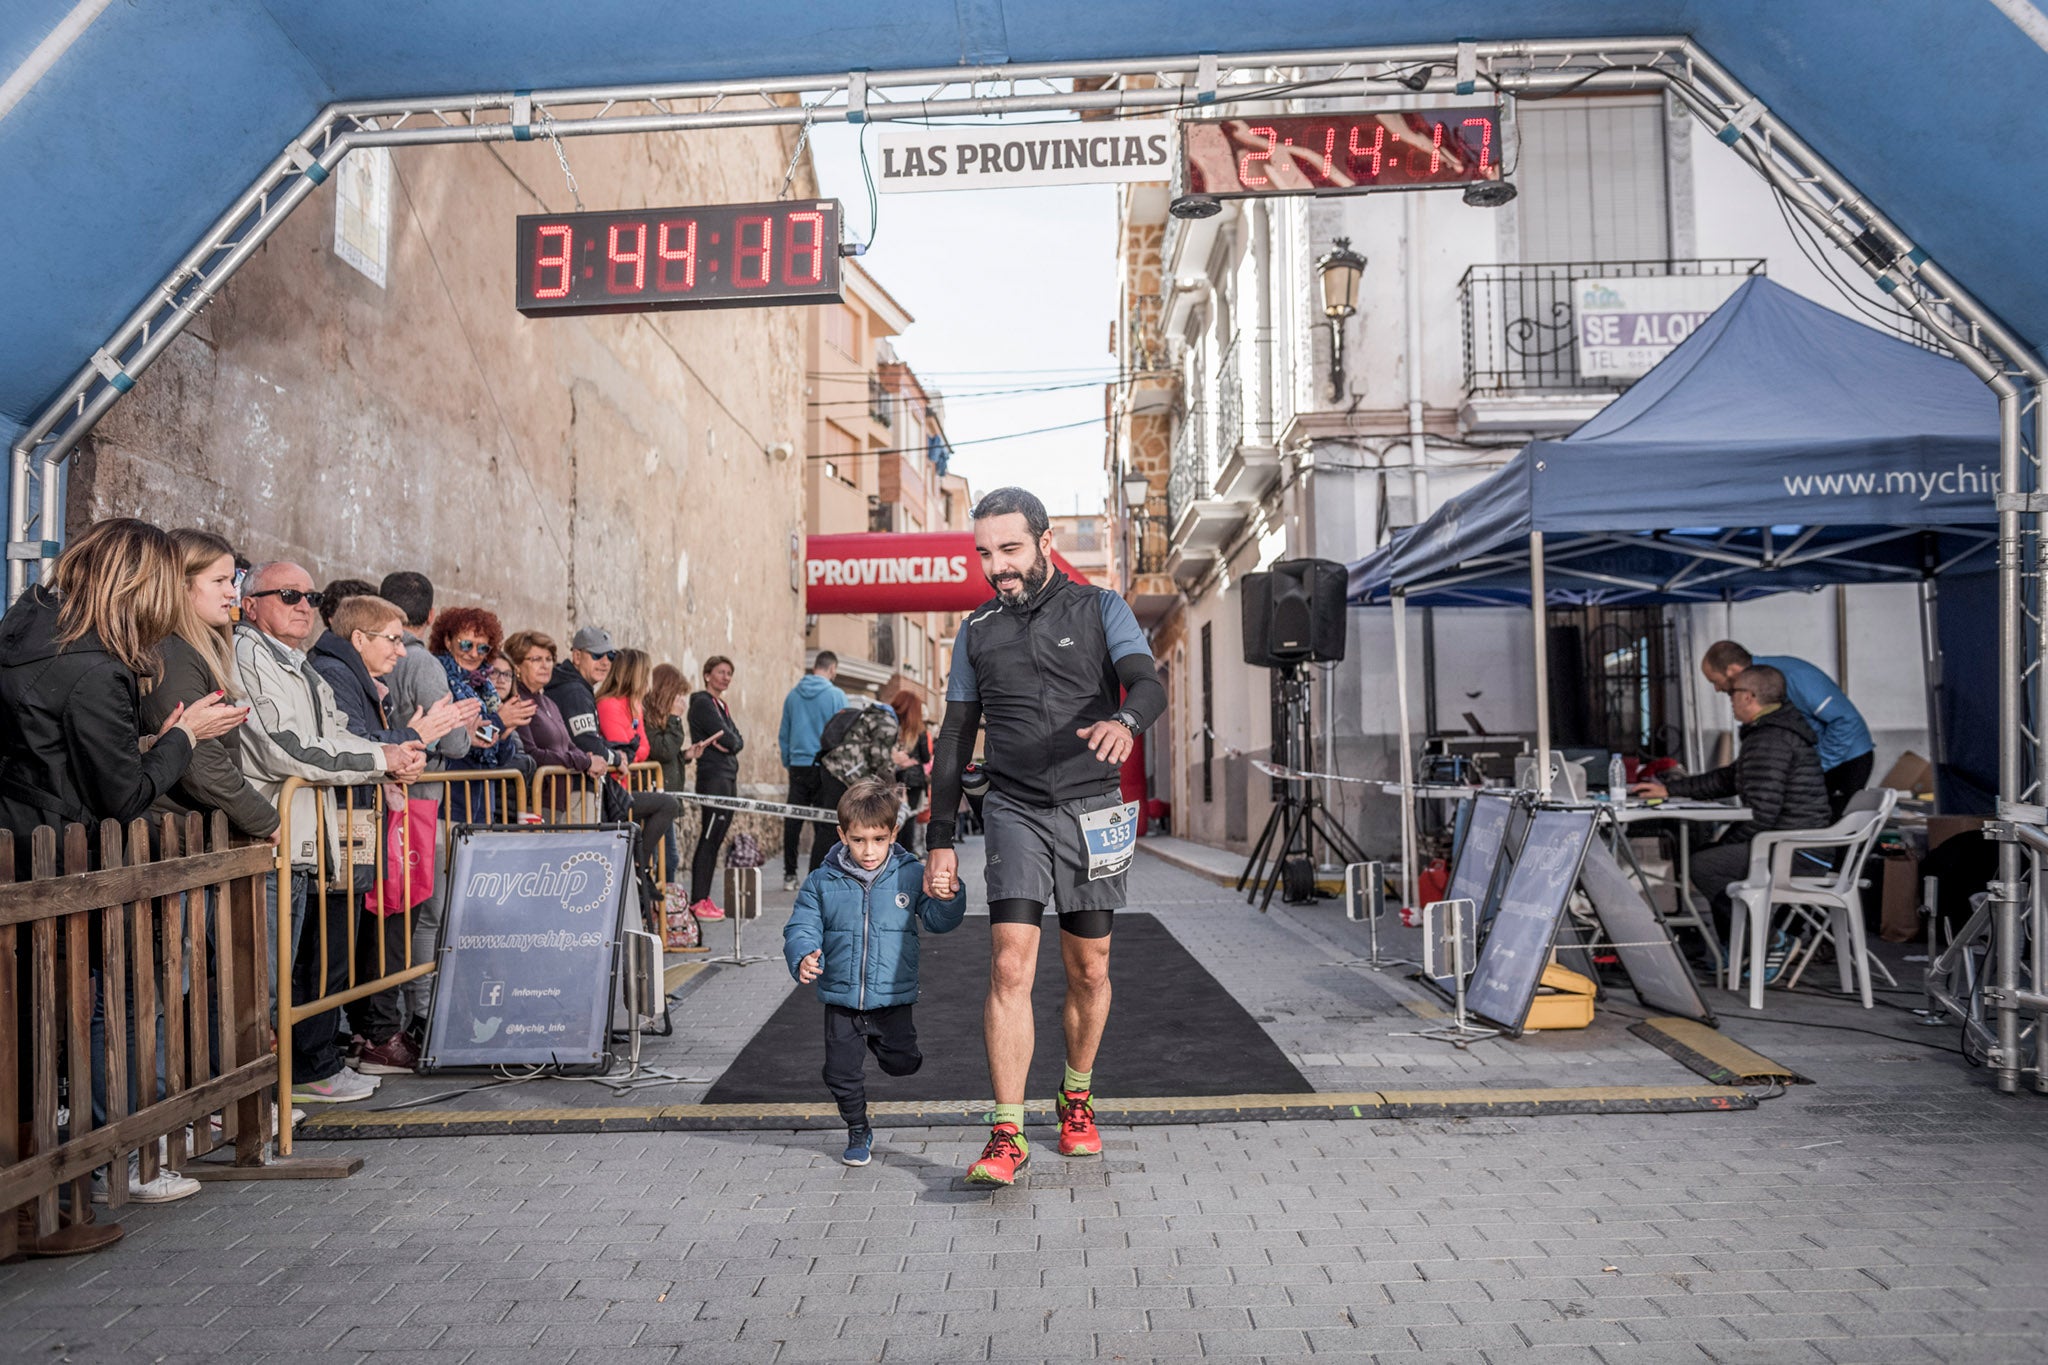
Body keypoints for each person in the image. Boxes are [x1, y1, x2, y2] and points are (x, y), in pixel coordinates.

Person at [0, 518, 248, 1210]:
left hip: (26, 840)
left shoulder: (26, 627)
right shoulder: (93, 664)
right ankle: (111, 1157)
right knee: (107, 1009)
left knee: (53, 1020)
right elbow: (122, 792)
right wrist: (182, 737)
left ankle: (80, 1155)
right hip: (63, 854)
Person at [924, 488, 1165, 1187]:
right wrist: (941, 835)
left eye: (1009, 548)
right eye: (985, 553)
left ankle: (1077, 1095)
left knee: (1090, 967)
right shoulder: (976, 631)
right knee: (1009, 963)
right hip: (1015, 807)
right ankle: (1007, 1129)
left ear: (1044, 541)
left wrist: (1127, 723)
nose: (996, 565)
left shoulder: (1100, 608)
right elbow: (956, 735)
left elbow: (1145, 682)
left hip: (1095, 808)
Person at [235, 563, 425, 1105]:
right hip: (270, 838)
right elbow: (285, 746)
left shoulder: (296, 661)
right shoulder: (248, 653)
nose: (304, 605)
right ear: (251, 604)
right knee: (266, 986)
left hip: (301, 843)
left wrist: (387, 760)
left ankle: (273, 1092)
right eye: (289, 594)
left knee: (284, 982)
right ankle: (252, 1100)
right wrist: (382, 755)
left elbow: (334, 731)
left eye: (311, 596)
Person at [0, 518, 246, 850]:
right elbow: (124, 799)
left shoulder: (33, 627)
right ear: (143, 586)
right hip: (54, 854)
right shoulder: (96, 668)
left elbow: (59, 749)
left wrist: (157, 743)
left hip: (19, 831)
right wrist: (186, 734)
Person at [308, 595, 465, 1076]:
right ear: (360, 639)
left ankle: (340, 1049)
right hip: (336, 827)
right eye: (393, 640)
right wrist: (408, 736)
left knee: (347, 950)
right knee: (330, 956)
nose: (401, 651)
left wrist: (404, 743)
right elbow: (345, 742)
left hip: (356, 824)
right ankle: (320, 1061)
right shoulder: (334, 671)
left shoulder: (346, 671)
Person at [782, 778, 965, 1167]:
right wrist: (802, 955)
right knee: (839, 1073)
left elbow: (937, 920)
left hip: (892, 997)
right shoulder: (821, 881)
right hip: (842, 998)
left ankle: (895, 1052)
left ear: (893, 833)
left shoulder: (910, 874)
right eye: (859, 840)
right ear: (842, 835)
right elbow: (801, 925)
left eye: (879, 840)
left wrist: (950, 895)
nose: (869, 851)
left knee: (900, 1062)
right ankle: (858, 1129)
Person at [1631, 664, 1834, 953]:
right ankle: (1739, 948)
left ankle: (1769, 941)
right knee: (1709, 858)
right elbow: (1729, 778)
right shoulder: (1769, 733)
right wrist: (1670, 789)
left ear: (1749, 697)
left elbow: (1763, 813)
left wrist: (1726, 843)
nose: (1729, 699)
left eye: (1733, 694)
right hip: (1790, 840)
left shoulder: (1772, 739)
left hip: (1798, 849)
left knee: (1705, 865)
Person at [135, 528, 279, 842]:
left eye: (233, 580)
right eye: (219, 581)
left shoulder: (191, 650)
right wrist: (264, 819)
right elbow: (199, 761)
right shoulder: (171, 655)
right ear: (181, 586)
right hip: (172, 839)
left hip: (190, 834)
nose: (232, 593)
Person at [1701, 640, 1873, 818]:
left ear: (1733, 670)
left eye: (1715, 681)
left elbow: (1845, 720)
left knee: (1829, 829)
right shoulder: (1765, 683)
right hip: (1818, 760)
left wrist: (1816, 765)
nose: (1717, 689)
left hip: (1846, 760)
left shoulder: (1792, 676)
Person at [595, 646, 684, 899]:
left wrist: (632, 747)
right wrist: (631, 747)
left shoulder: (634, 707)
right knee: (667, 805)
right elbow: (624, 746)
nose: (647, 682)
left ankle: (639, 867)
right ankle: (637, 865)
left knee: (667, 819)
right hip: (613, 792)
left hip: (628, 786)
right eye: (644, 674)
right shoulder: (609, 704)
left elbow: (642, 749)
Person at [502, 631, 602, 812]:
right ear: (517, 665)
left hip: (560, 801)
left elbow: (569, 745)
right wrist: (585, 762)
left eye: (549, 659)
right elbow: (532, 754)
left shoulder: (549, 702)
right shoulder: (517, 702)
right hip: (535, 802)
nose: (545, 665)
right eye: (536, 659)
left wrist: (587, 758)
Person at [779, 651, 848, 888]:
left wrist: (789, 761)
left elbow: (784, 734)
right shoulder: (836, 696)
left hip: (798, 764)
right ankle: (820, 873)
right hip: (825, 766)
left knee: (793, 821)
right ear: (832, 669)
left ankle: (789, 874)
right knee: (824, 822)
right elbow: (843, 734)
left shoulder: (792, 696)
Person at [687, 655, 744, 919]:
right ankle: (697, 900)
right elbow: (730, 741)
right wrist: (727, 742)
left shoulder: (721, 705)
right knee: (709, 838)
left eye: (729, 673)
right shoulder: (701, 702)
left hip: (728, 776)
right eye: (721, 672)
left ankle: (705, 898)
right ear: (708, 674)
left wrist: (728, 741)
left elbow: (736, 740)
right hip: (713, 778)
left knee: (718, 838)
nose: (726, 677)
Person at [644, 662, 710, 883]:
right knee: (663, 858)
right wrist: (675, 719)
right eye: (677, 695)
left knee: (670, 859)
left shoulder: (660, 720)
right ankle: (658, 911)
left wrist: (685, 756)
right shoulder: (649, 718)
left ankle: (666, 909)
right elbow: (661, 750)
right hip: (656, 799)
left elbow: (667, 754)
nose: (681, 701)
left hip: (667, 799)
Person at [889, 690, 932, 854]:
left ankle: (893, 855)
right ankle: (905, 857)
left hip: (896, 779)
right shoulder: (920, 731)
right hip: (914, 781)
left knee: (894, 820)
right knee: (909, 821)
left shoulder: (893, 727)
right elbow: (926, 757)